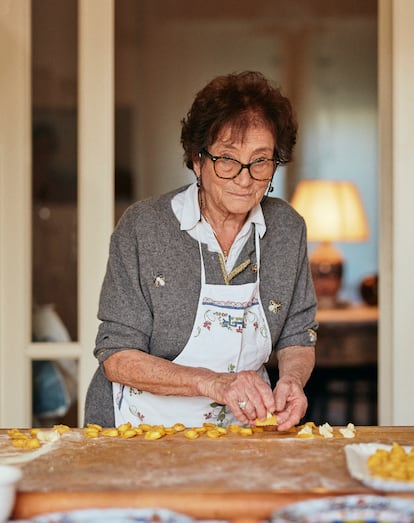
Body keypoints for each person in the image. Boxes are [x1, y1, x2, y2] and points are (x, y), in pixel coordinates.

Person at [85, 71, 318, 431]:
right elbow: (116, 356)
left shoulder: (287, 229)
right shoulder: (144, 228)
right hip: (136, 433)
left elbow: (297, 335)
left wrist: (292, 380)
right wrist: (212, 383)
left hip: (243, 430)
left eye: (260, 161)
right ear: (197, 160)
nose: (244, 178)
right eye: (227, 159)